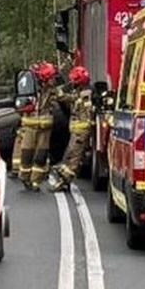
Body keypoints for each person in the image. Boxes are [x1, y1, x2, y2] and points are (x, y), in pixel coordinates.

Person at [48, 65, 94, 192]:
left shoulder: (85, 94)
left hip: (81, 132)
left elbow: (82, 109)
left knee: (74, 157)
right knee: (69, 155)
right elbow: (69, 99)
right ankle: (64, 180)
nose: (72, 83)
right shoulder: (80, 92)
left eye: (74, 80)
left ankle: (65, 182)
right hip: (77, 131)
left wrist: (61, 91)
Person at [18, 61, 59, 191]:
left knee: (41, 155)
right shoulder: (31, 89)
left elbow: (63, 97)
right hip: (31, 126)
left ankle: (36, 181)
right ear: (46, 78)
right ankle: (25, 177)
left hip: (45, 128)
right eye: (52, 77)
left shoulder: (52, 91)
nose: (54, 80)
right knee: (27, 153)